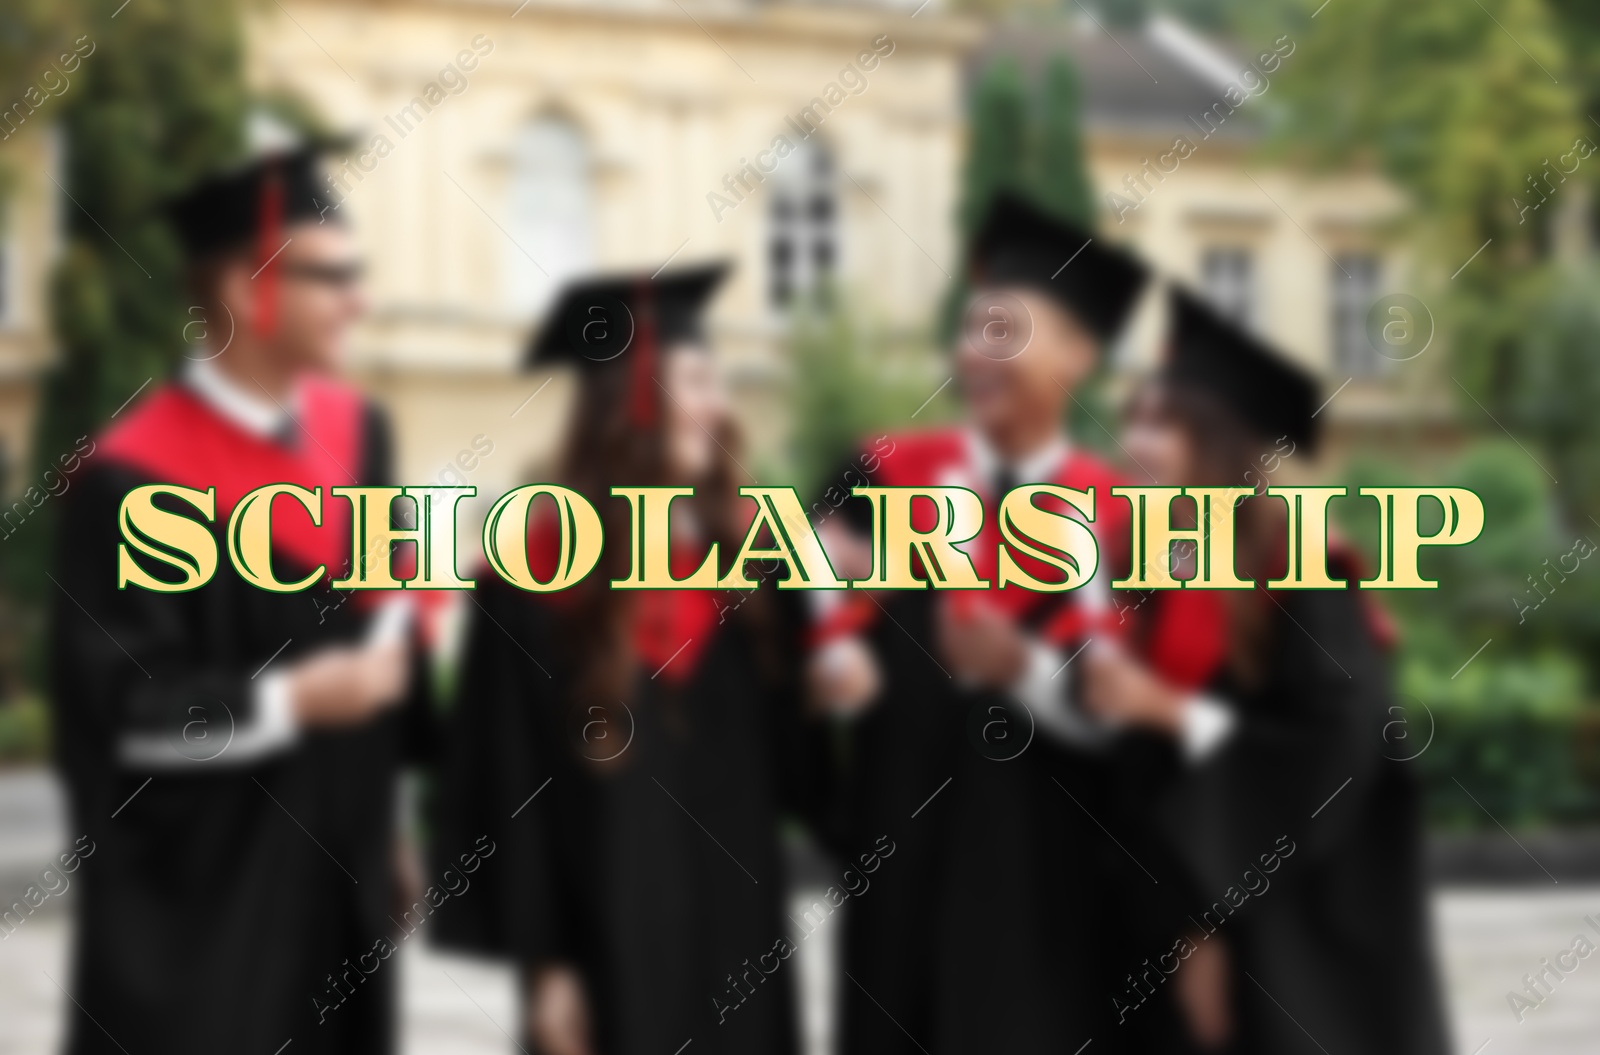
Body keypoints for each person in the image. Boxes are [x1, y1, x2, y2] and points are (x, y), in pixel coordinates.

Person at [50, 119, 434, 1055]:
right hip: (203, 909)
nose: (360, 302)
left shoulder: (361, 436)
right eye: (331, 277)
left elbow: (386, 641)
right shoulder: (134, 482)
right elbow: (124, 713)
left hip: (337, 893)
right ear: (245, 287)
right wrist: (293, 698)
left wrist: (390, 827)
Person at [810, 190, 1177, 1054]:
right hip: (902, 877)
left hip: (1053, 891)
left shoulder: (1123, 520)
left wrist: (1026, 672)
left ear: (1077, 355)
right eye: (970, 328)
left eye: (1005, 329)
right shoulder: (878, 478)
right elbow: (794, 633)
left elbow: (1142, 731)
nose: (975, 351)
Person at [431, 264, 814, 1055]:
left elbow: (805, 769)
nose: (721, 406)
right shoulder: (531, 577)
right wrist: (546, 967)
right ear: (634, 396)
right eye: (698, 380)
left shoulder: (759, 566)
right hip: (602, 966)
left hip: (741, 952)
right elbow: (508, 789)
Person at [1080, 287, 1451, 1054]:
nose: (1136, 444)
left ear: (1217, 443)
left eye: (1163, 424)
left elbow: (1330, 760)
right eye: (1133, 422)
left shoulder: (1304, 571)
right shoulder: (1148, 571)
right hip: (1164, 932)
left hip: (1293, 947)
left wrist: (1172, 713)